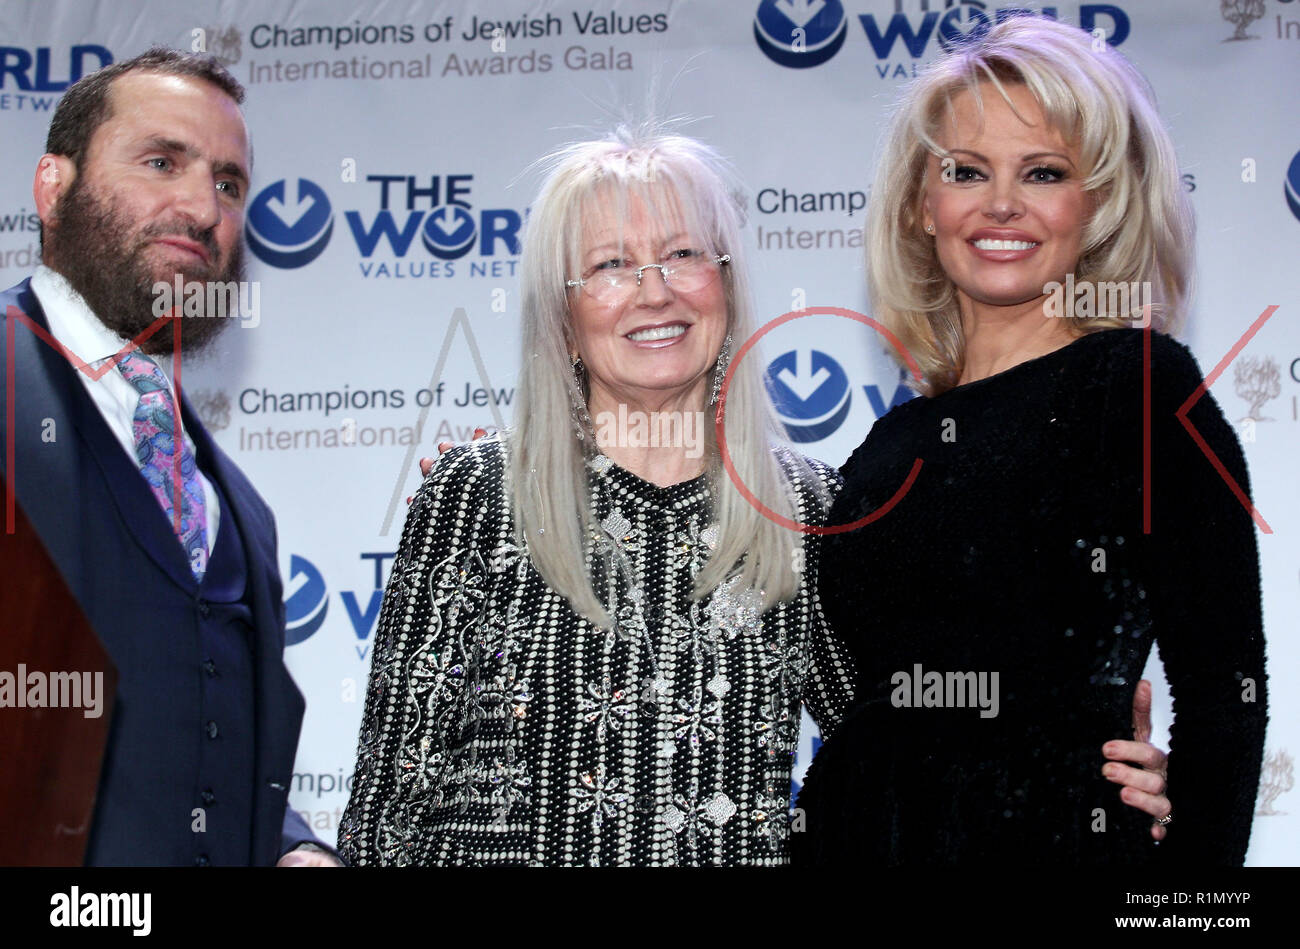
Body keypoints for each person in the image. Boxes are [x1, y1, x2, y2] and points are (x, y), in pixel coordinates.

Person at [339, 125, 1169, 866]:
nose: (654, 290)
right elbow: (389, 794)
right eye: (610, 266)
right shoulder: (476, 494)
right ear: (561, 315)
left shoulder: (810, 509)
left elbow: (902, 743)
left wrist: (1083, 754)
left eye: (684, 255)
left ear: (727, 288)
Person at [793, 16, 1266, 865]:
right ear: (920, 205)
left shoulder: (1138, 385)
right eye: (966, 171)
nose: (1000, 204)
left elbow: (1226, 698)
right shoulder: (886, 446)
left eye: (1043, 173)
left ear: (1099, 202)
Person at [0, 48, 335, 866]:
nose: (200, 206)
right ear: (53, 186)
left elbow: (202, 747)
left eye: (228, 184)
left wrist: (292, 848)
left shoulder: (238, 508)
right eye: (161, 163)